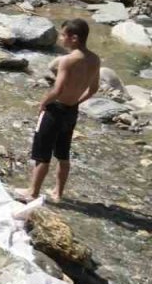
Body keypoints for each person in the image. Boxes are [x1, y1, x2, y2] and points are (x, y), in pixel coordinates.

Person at [15, 18, 101, 203]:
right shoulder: (94, 59)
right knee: (63, 153)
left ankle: (33, 192)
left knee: (42, 152)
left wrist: (43, 102)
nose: (61, 39)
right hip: (72, 111)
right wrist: (78, 101)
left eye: (63, 35)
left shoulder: (68, 60)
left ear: (74, 38)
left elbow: (58, 89)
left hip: (55, 109)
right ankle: (58, 193)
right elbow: (93, 89)